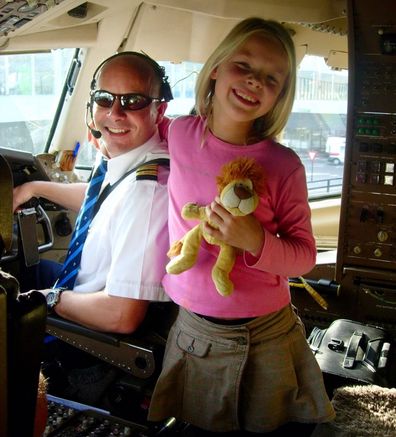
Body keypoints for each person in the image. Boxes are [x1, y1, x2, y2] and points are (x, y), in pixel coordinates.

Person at [148, 17, 335, 434]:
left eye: (270, 77)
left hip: (266, 332)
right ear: (215, 68)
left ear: (280, 95)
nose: (254, 82)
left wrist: (255, 240)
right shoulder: (179, 133)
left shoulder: (283, 166)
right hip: (193, 326)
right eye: (244, 66)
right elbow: (142, 127)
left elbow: (304, 257)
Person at [13, 52, 172, 334]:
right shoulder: (129, 160)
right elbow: (102, 201)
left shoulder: (148, 192)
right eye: (104, 99)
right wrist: (33, 188)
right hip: (78, 289)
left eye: (134, 101)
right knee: (19, 272)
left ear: (159, 111)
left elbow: (121, 315)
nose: (115, 113)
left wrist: (50, 298)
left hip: (86, 337)